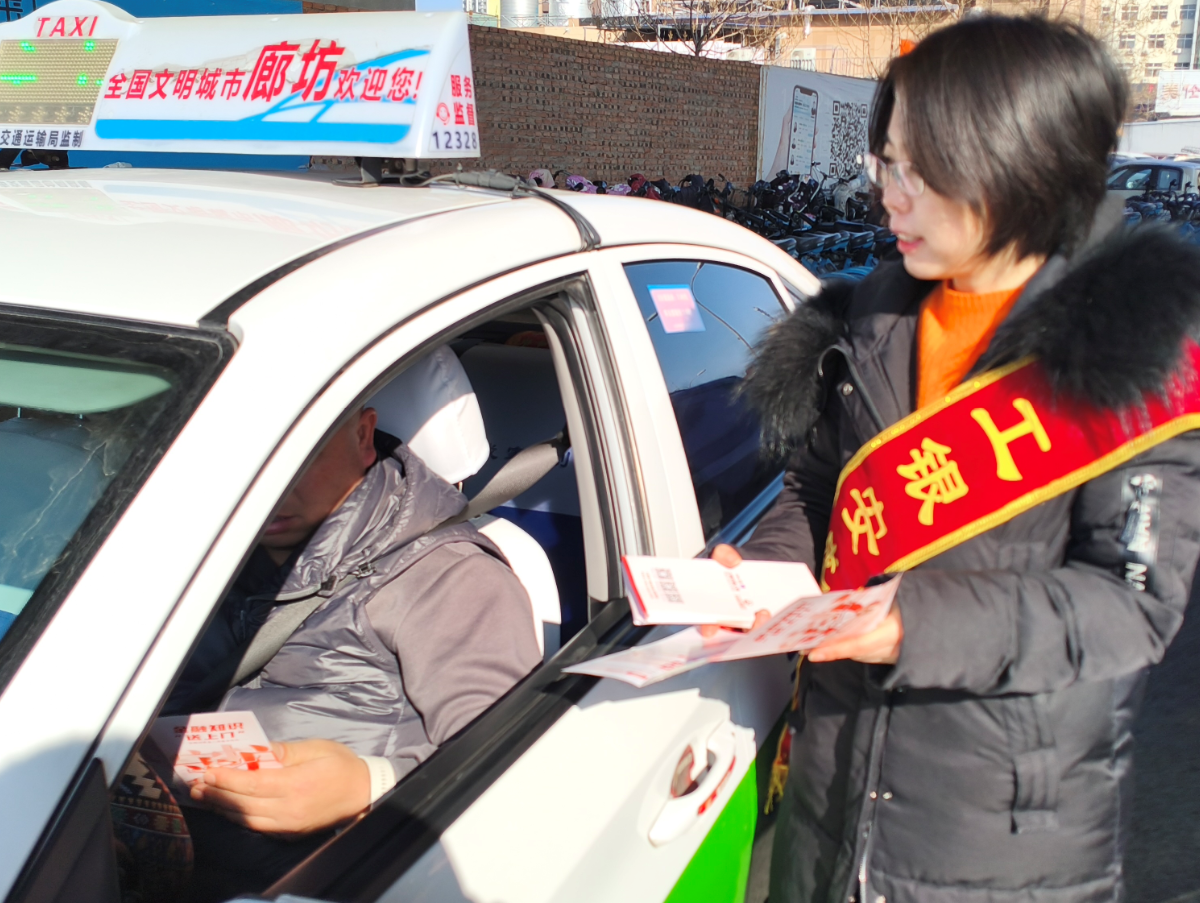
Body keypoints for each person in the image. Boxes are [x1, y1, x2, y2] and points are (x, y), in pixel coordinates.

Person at [714, 16, 1200, 903]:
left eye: (920, 172)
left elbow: (1129, 604)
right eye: (886, 165)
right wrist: (767, 570)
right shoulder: (865, 322)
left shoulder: (1134, 352)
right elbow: (816, 488)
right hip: (828, 800)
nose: (889, 198)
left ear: (1018, 166)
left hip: (999, 836)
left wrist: (913, 623)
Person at [164, 405, 541, 899]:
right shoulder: (185, 552)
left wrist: (369, 785)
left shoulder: (449, 578)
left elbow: (513, 773)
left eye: (295, 455)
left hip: (331, 879)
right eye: (237, 457)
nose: (263, 487)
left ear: (363, 435)